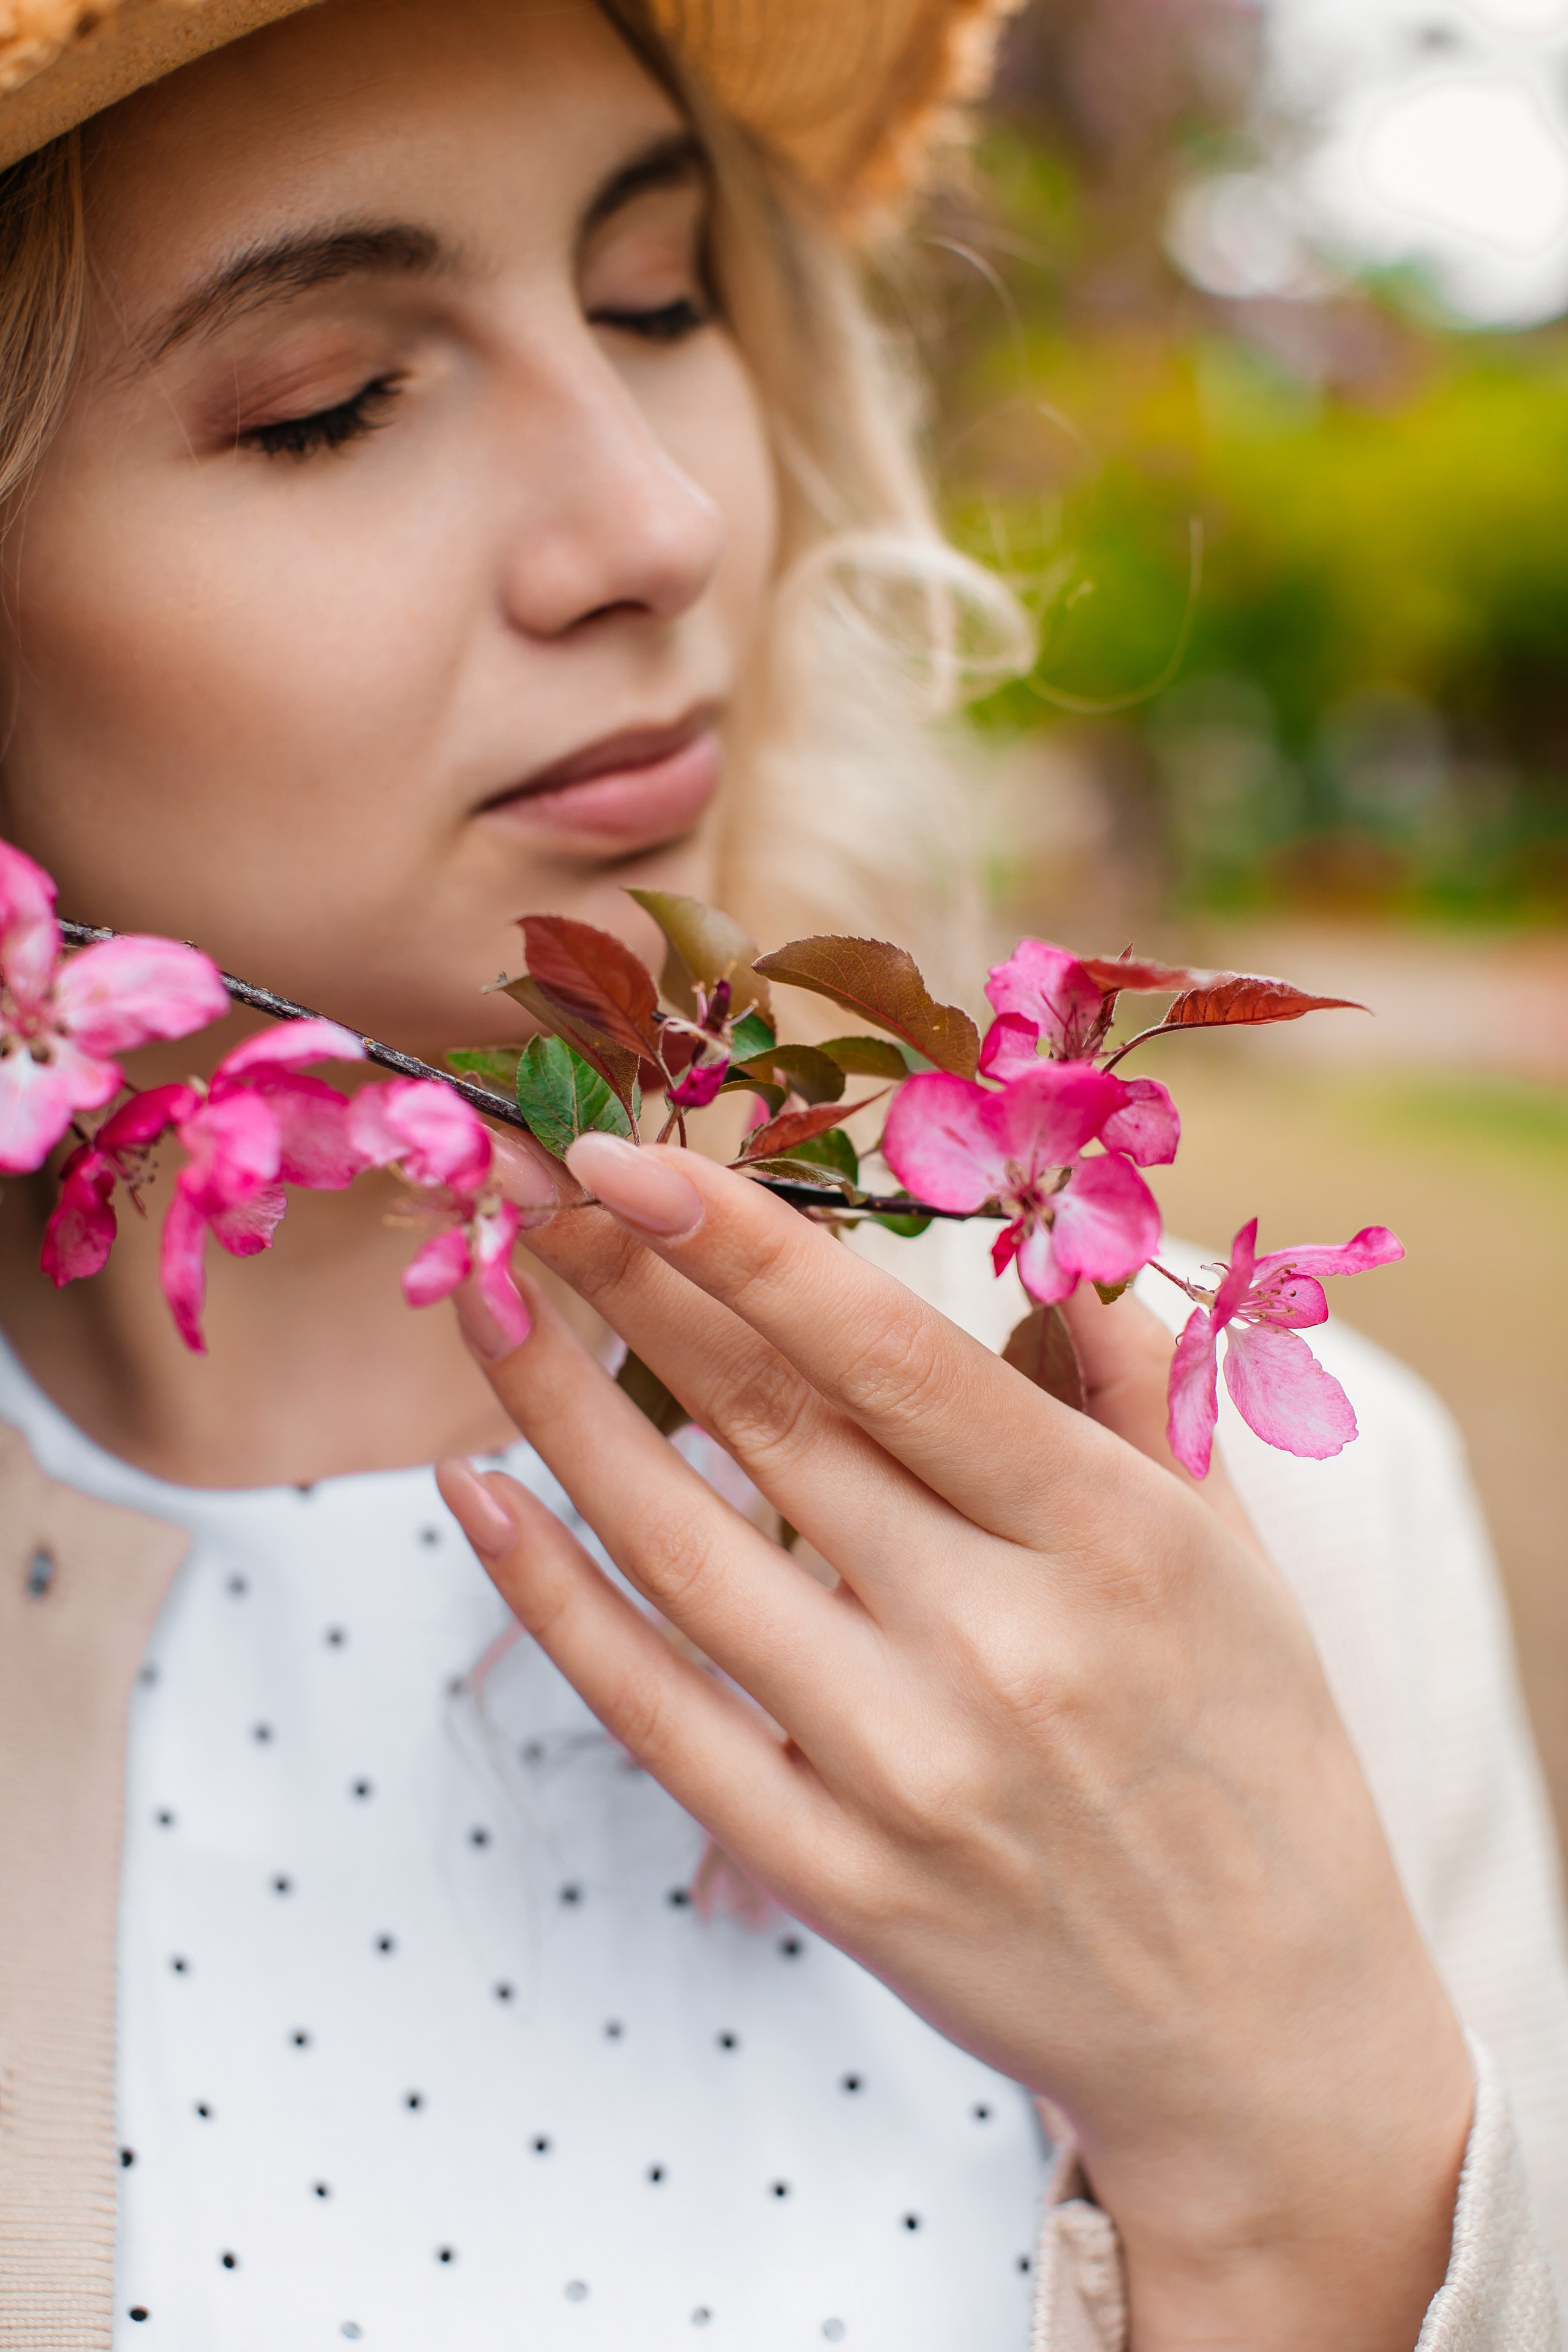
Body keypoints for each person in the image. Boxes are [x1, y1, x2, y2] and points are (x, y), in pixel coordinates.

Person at [0, 2, 1563, 2346]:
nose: (659, 520)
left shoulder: (1238, 1535)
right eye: (329, 397)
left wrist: (1295, 2150)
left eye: (660, 300)